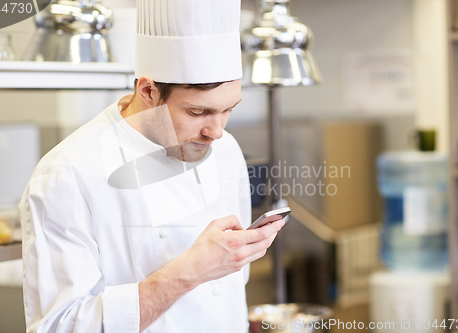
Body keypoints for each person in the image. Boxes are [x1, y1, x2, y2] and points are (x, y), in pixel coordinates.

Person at [19, 0, 285, 332]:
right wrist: (189, 270)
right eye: (197, 112)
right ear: (148, 90)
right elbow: (58, 327)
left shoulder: (224, 148)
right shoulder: (67, 174)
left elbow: (231, 290)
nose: (216, 131)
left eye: (228, 109)